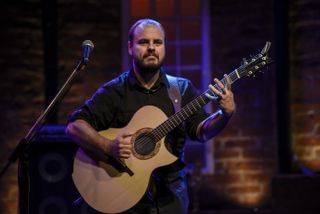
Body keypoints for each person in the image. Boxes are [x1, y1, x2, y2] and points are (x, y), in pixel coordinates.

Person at [66, 18, 236, 214]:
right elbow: (74, 126)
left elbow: (201, 132)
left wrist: (224, 114)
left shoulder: (180, 90)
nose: (151, 48)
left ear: (164, 47)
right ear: (130, 48)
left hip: (171, 197)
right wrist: (108, 146)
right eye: (143, 42)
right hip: (125, 195)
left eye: (158, 42)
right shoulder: (115, 91)